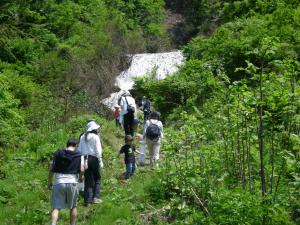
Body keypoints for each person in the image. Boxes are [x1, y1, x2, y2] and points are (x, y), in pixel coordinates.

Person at [48, 139, 84, 225]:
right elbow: (82, 169)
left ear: (67, 145)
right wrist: (81, 178)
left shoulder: (58, 153)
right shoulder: (79, 155)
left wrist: (49, 181)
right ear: (75, 146)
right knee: (73, 207)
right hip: (72, 182)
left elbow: (51, 168)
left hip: (59, 182)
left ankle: (53, 224)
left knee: (56, 208)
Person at [77, 121, 103, 206]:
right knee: (97, 178)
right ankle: (95, 197)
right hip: (93, 158)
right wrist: (100, 161)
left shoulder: (82, 137)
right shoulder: (96, 137)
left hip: (84, 159)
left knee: (88, 180)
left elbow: (79, 151)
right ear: (94, 129)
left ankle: (87, 201)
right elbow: (98, 151)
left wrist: (80, 162)